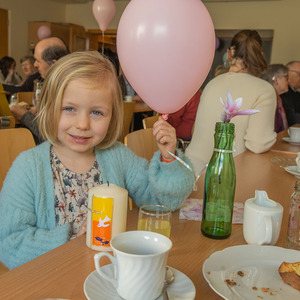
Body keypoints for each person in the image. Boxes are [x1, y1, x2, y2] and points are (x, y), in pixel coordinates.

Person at [0, 51, 194, 270]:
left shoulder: (118, 156)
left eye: (97, 113)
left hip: (109, 271)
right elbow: (9, 245)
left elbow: (164, 204)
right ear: (49, 108)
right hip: (54, 276)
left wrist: (169, 159)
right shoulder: (27, 167)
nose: (82, 124)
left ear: (112, 116)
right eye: (69, 108)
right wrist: (72, 235)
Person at [185, 30, 277, 174]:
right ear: (261, 55)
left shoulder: (212, 84)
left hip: (189, 173)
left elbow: (194, 130)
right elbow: (258, 145)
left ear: (229, 54)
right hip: (223, 178)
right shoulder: (264, 90)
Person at [9, 37, 70, 144]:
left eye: (38, 61)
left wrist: (24, 115)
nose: (35, 65)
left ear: (53, 64)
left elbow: (50, 135)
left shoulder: (66, 89)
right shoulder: (60, 83)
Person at [260, 64, 289, 132]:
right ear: (275, 80)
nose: (288, 82)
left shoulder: (278, 99)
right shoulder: (266, 100)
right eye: (286, 78)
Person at [280, 61, 300, 126]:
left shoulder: (297, 94)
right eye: (299, 73)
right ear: (288, 73)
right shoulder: (282, 92)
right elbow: (290, 117)